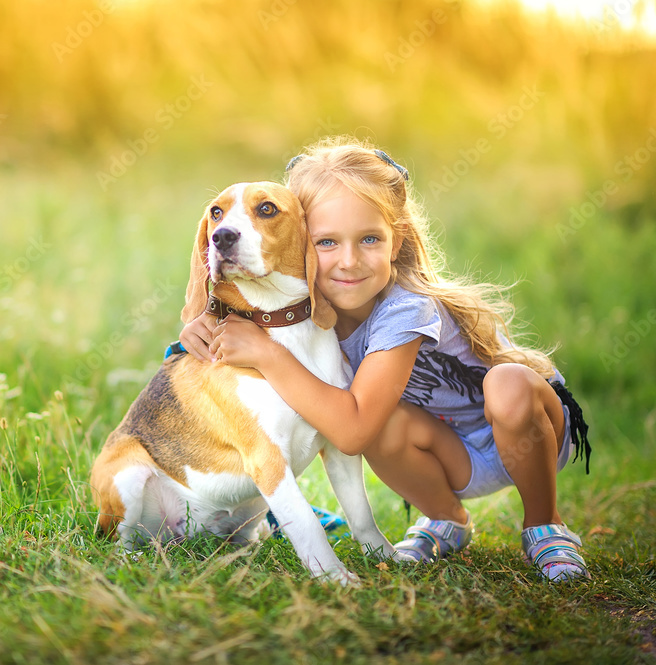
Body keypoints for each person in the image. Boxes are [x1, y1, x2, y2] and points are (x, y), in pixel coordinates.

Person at [178, 137, 592, 581]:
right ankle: (445, 519)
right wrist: (196, 324)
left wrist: (265, 353)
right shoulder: (307, 309)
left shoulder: (405, 308)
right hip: (448, 455)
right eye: (327, 242)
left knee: (506, 383)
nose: (349, 262)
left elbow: (350, 432)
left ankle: (545, 526)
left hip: (528, 433)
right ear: (298, 241)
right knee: (380, 420)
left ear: (398, 242)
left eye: (370, 239)